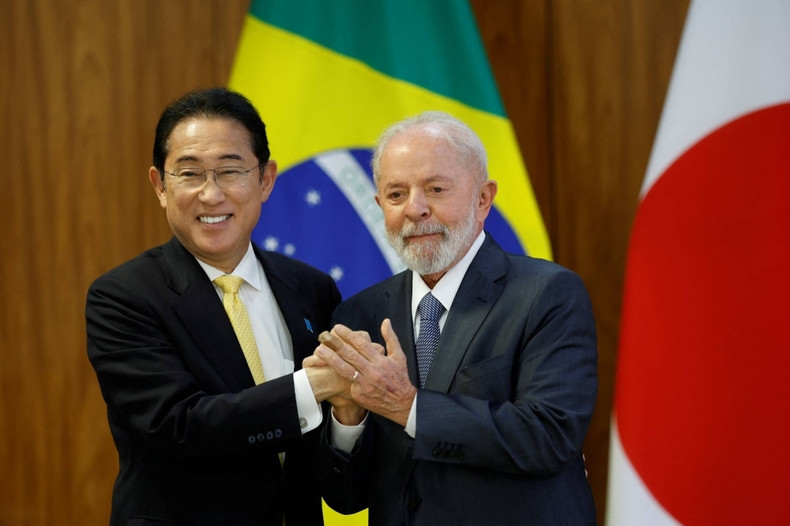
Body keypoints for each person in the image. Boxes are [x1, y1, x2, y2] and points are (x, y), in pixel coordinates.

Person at [309, 111, 599, 525]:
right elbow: (345, 499)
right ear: (379, 207)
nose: (415, 209)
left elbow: (549, 438)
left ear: (483, 198)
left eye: (436, 188)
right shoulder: (358, 314)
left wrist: (407, 405)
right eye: (395, 195)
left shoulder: (547, 293)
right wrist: (347, 417)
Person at [86, 88, 348, 526]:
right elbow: (178, 425)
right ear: (160, 186)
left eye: (230, 171)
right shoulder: (123, 297)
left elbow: (325, 454)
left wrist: (350, 414)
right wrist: (315, 384)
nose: (210, 195)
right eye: (189, 174)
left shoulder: (311, 288)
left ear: (265, 180)